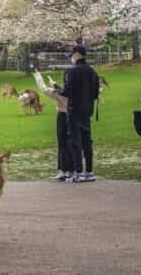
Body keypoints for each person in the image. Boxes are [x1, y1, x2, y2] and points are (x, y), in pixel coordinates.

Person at [56, 44, 99, 183]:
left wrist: (57, 90)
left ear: (77, 55)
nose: (72, 58)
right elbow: (95, 93)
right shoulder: (93, 72)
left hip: (74, 110)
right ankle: (90, 171)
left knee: (75, 141)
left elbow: (67, 91)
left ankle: (78, 172)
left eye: (73, 55)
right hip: (87, 110)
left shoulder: (71, 72)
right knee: (87, 141)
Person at [35, 71, 71, 181]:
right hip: (74, 117)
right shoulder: (75, 91)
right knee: (71, 143)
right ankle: (70, 170)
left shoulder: (57, 92)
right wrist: (54, 84)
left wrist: (38, 75)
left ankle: (62, 171)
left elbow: (43, 88)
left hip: (62, 117)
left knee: (62, 143)